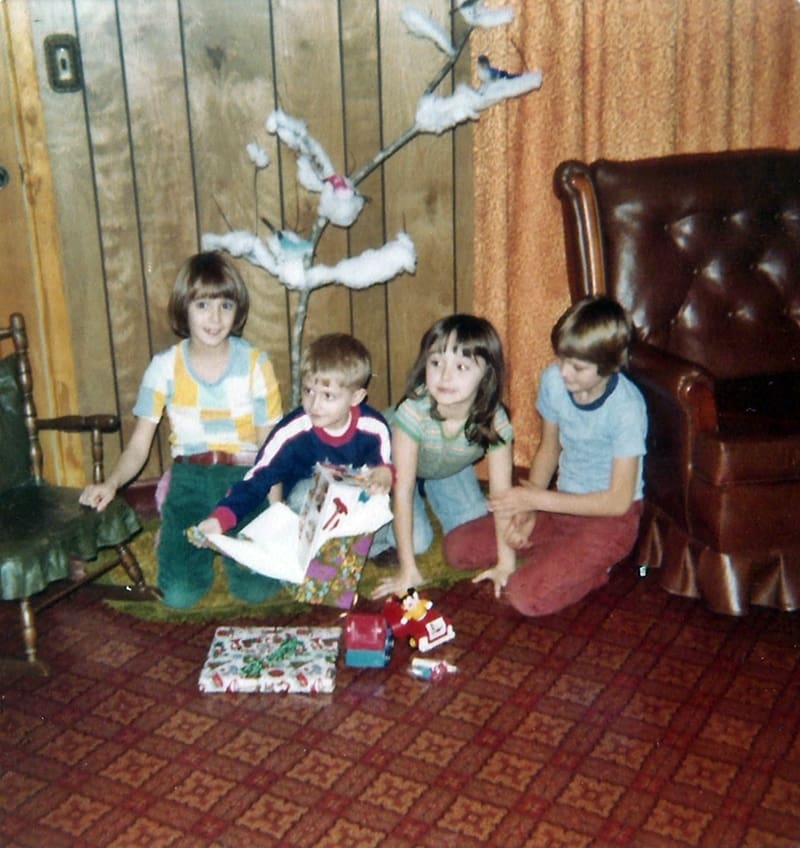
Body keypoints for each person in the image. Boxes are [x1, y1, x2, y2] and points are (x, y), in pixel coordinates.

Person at [79, 251, 283, 608]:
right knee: (179, 594)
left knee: (258, 589)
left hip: (245, 480)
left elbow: (271, 446)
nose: (215, 318)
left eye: (225, 305)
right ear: (183, 309)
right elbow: (139, 446)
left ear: (237, 311)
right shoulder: (163, 368)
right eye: (203, 305)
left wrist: (275, 510)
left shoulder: (255, 363)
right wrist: (111, 484)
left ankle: (230, 543)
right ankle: (179, 536)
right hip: (189, 480)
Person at [445, 295, 647, 616]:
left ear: (609, 365)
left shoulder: (627, 408)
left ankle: (594, 567)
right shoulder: (554, 381)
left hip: (611, 520)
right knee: (458, 548)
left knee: (524, 595)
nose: (564, 372)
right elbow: (549, 448)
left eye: (577, 367)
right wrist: (528, 512)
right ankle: (563, 555)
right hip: (559, 504)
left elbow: (618, 501)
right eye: (561, 359)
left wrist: (535, 501)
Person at [370, 313, 516, 599]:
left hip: (443, 466)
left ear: (487, 373)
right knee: (419, 541)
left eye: (461, 366)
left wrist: (506, 563)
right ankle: (369, 535)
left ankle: (431, 494)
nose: (445, 376)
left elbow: (502, 495)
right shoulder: (413, 411)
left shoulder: (495, 419)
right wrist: (408, 570)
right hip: (390, 466)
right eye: (436, 363)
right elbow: (403, 488)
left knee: (473, 522)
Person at [193, 332, 393, 538]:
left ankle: (364, 543)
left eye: (328, 396)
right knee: (301, 500)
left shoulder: (374, 427)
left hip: (356, 494)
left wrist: (384, 475)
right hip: (308, 495)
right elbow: (258, 477)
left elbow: (385, 467)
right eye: (308, 391)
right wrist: (222, 517)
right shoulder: (291, 431)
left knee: (417, 538)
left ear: (356, 397)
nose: (314, 405)